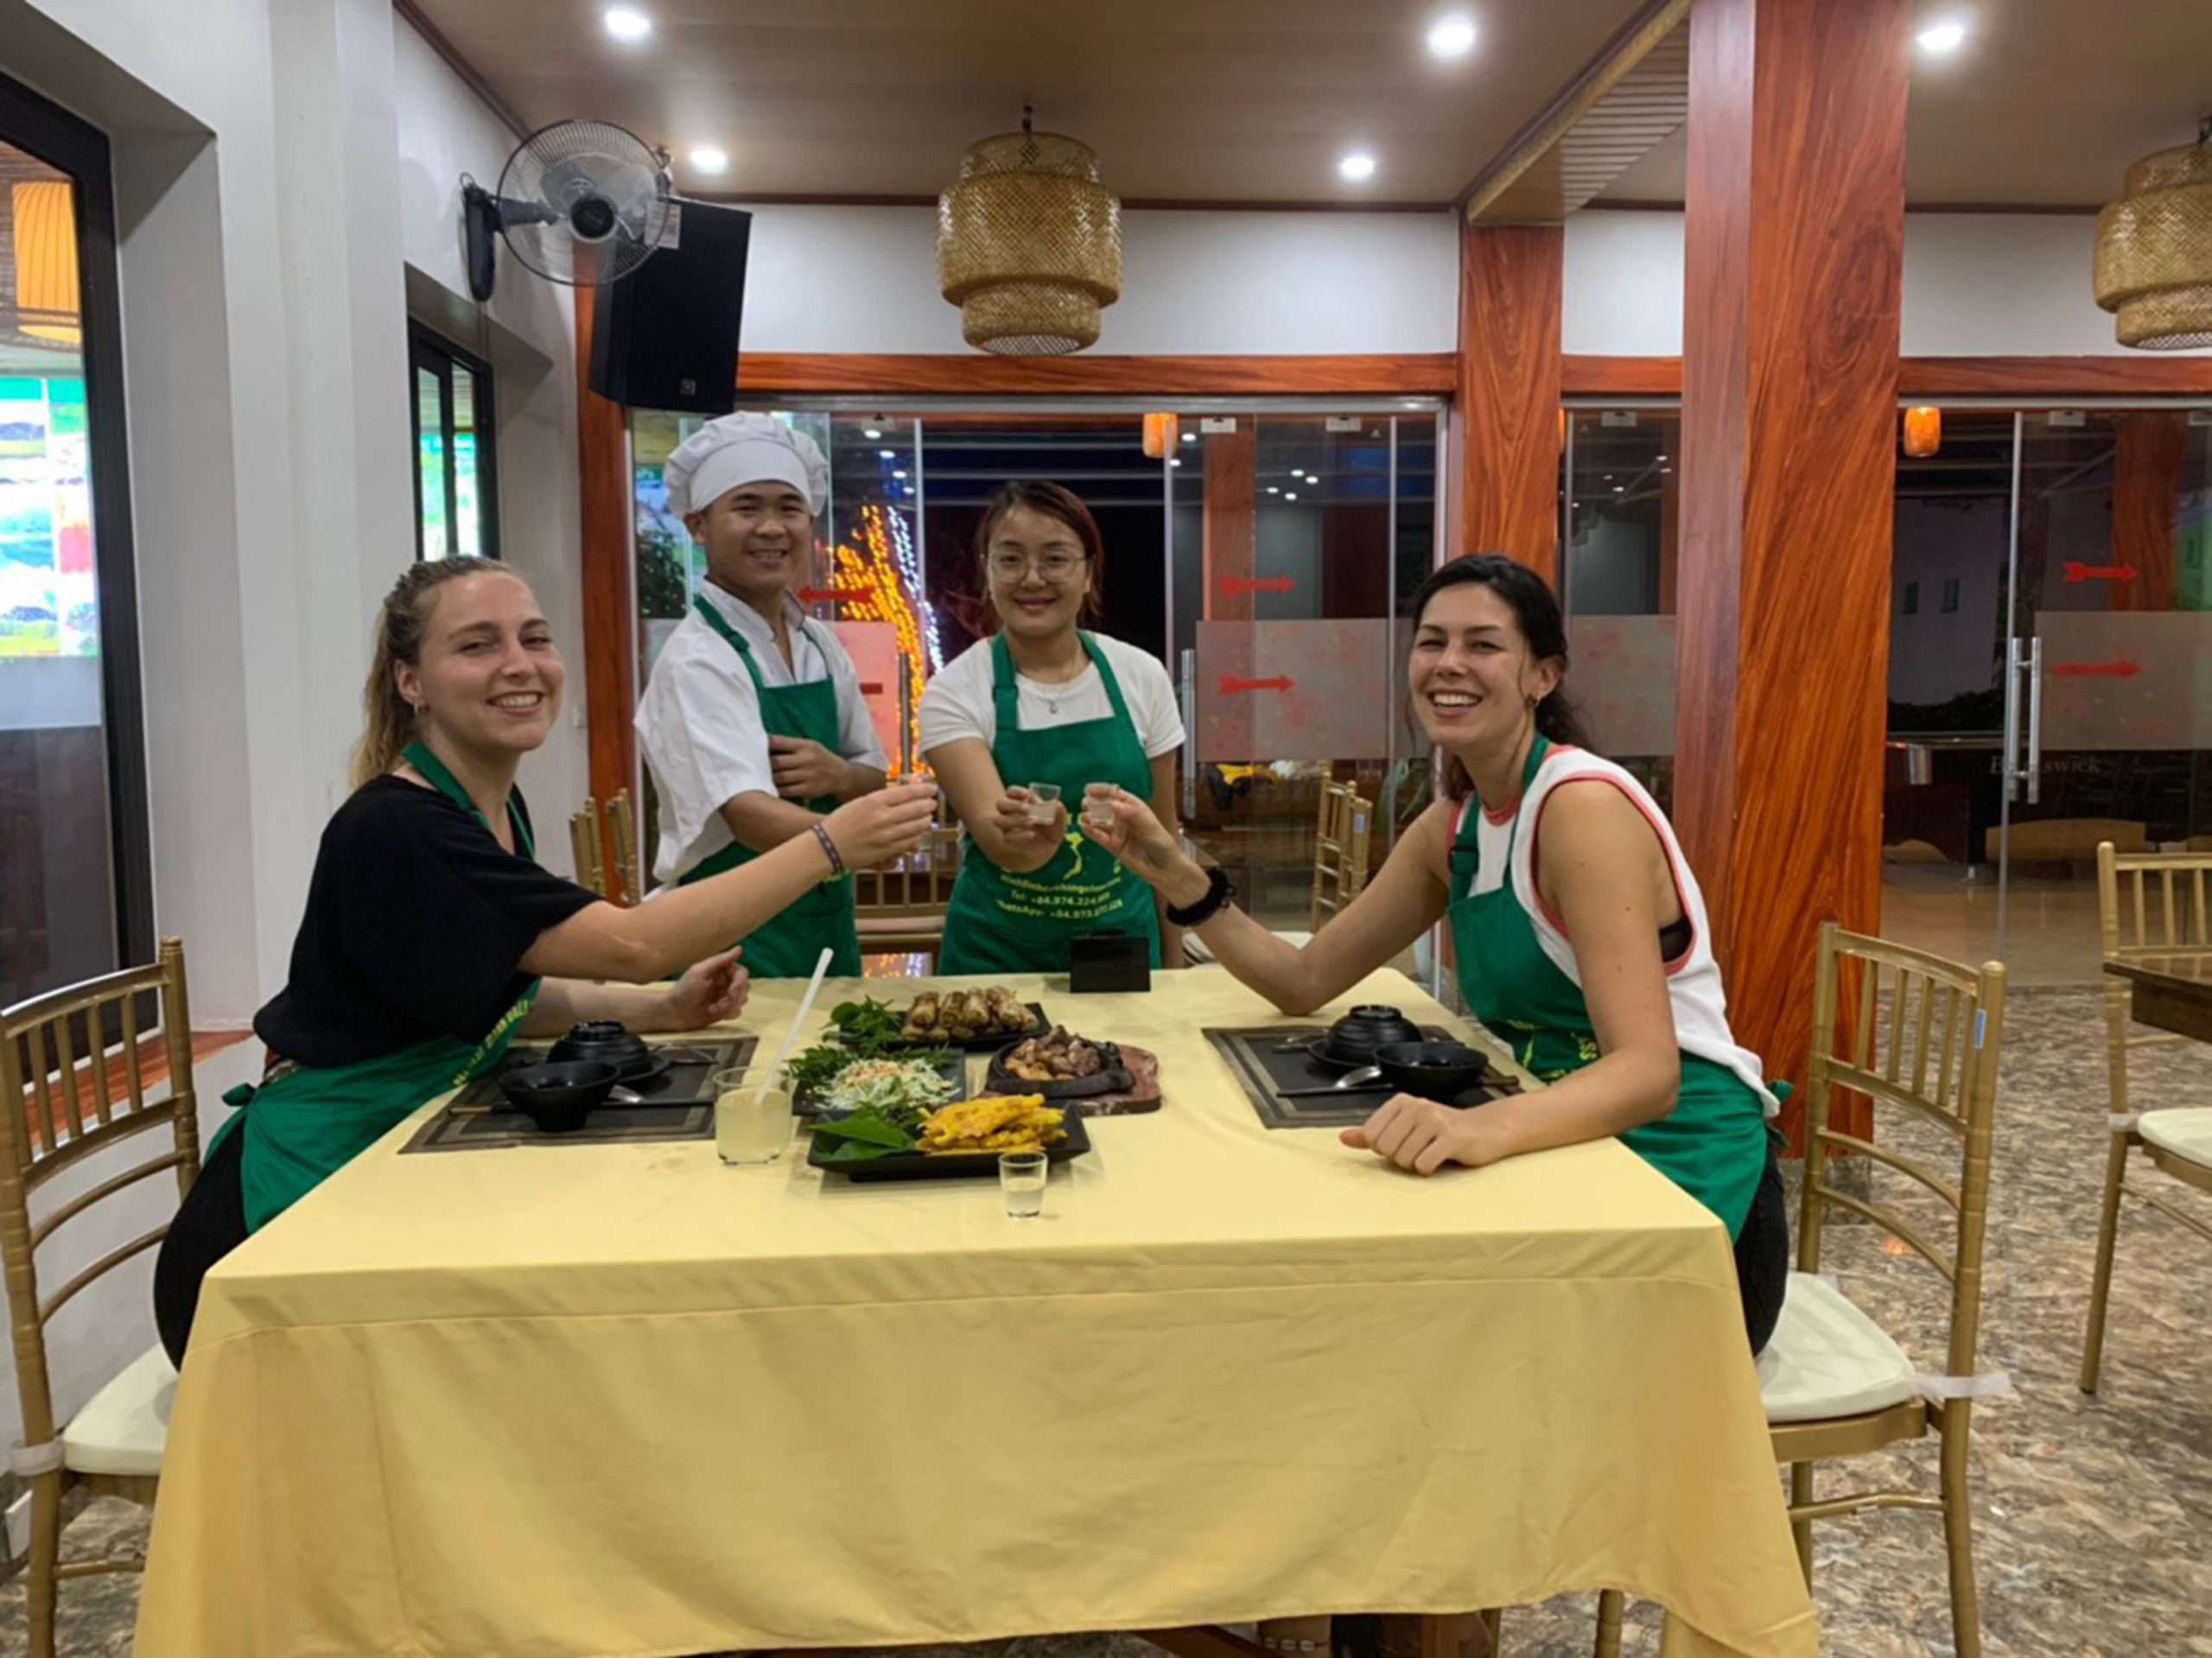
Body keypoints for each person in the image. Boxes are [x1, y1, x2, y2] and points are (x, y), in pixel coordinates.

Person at [152, 557, 936, 1364]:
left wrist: (660, 1010)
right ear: (410, 681)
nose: (519, 665)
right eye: (477, 645)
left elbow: (503, 991)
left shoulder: (491, 807)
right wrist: (828, 844)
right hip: (286, 1219)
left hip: (399, 1149)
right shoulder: (398, 828)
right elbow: (637, 944)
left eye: (534, 639)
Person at [1081, 552, 1789, 1353]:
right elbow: (1302, 979)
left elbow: (1649, 1073)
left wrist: (1484, 1126)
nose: (1450, 663)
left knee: (1442, 1342)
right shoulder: (1455, 824)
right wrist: (1173, 872)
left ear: (1543, 675)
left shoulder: (1579, 808)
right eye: (1432, 642)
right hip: (1566, 1144)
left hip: (1685, 1189)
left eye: (1483, 644)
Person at [636, 414, 887, 976]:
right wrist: (860, 839)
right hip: (731, 939)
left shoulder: (818, 642)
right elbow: (749, 815)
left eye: (789, 508)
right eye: (747, 508)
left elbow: (871, 773)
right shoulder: (697, 658)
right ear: (698, 526)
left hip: (823, 926)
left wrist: (839, 776)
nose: (772, 528)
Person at [921, 482, 1185, 975]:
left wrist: (1175, 970)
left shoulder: (1142, 676)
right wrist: (1030, 839)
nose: (1032, 578)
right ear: (987, 571)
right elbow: (1002, 843)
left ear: (1088, 573)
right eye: (1010, 559)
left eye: (1056, 559)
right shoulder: (955, 690)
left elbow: (1162, 841)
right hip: (994, 959)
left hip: (1119, 952)